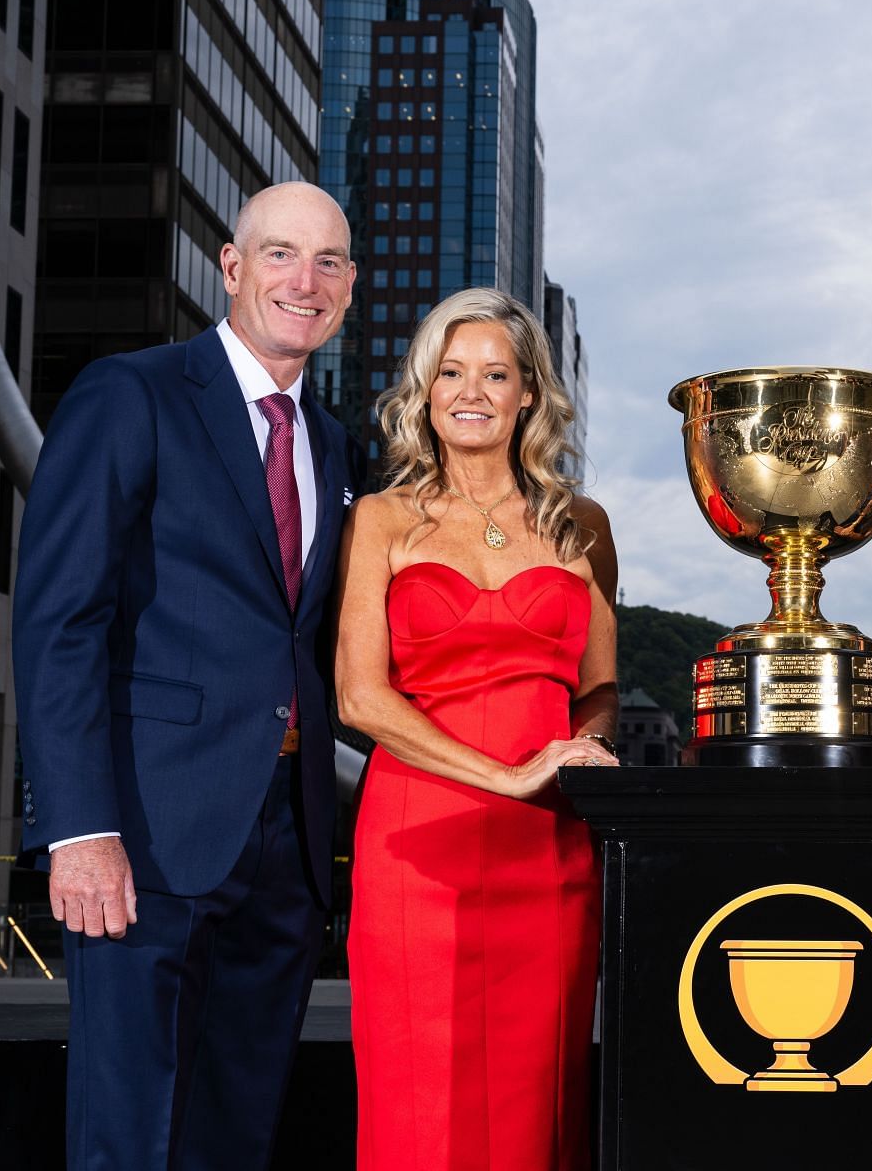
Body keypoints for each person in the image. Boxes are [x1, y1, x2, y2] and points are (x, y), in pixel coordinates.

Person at [13, 183, 359, 1165]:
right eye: (281, 253)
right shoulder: (134, 392)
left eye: (329, 261)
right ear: (232, 265)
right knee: (130, 1133)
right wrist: (79, 826)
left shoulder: (332, 445)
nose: (306, 279)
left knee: (233, 1129)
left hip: (286, 842)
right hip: (145, 831)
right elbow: (60, 618)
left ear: (349, 287)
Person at [335, 288, 619, 1170]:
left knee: (542, 1101)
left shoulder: (582, 524)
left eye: (495, 373)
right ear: (423, 391)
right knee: (420, 1104)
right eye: (451, 372)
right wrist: (503, 773)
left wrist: (584, 748)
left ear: (528, 394)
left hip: (548, 850)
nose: (472, 390)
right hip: (417, 847)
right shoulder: (379, 519)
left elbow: (602, 685)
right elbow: (358, 696)